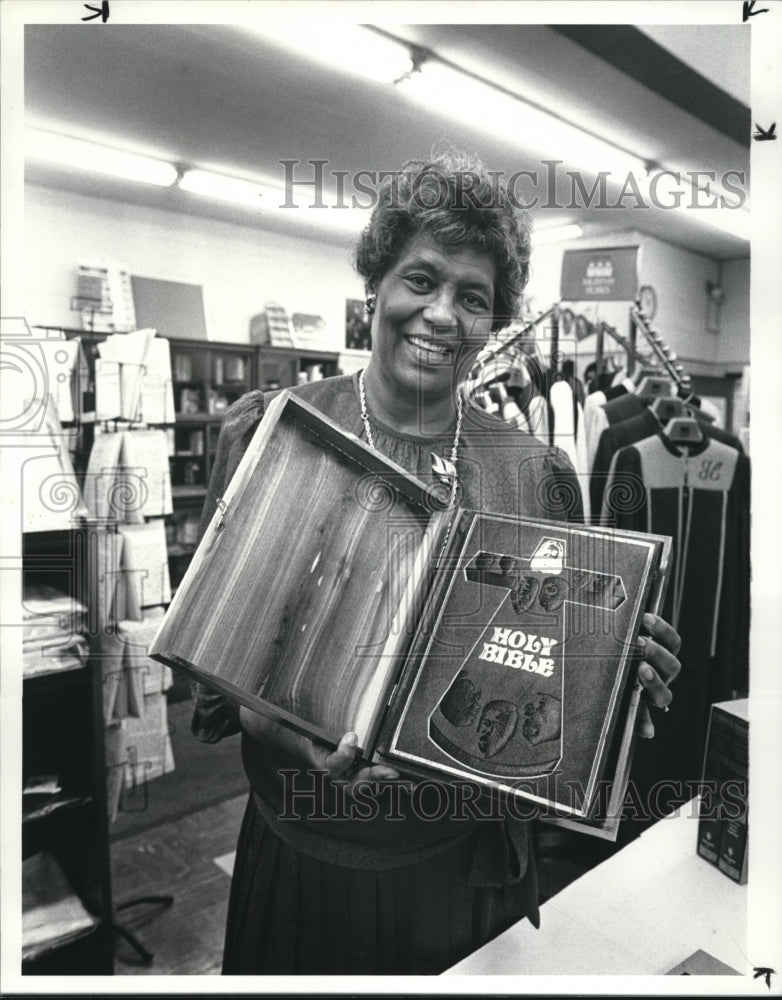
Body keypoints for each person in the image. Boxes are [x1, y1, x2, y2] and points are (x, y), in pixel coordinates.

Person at [190, 150, 681, 975]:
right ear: (375, 286)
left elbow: (546, 675)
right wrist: (292, 730)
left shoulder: (535, 474)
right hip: (305, 860)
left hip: (458, 876)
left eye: (474, 297)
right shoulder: (277, 435)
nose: (443, 314)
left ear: (494, 321)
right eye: (421, 280)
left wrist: (611, 677)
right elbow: (210, 678)